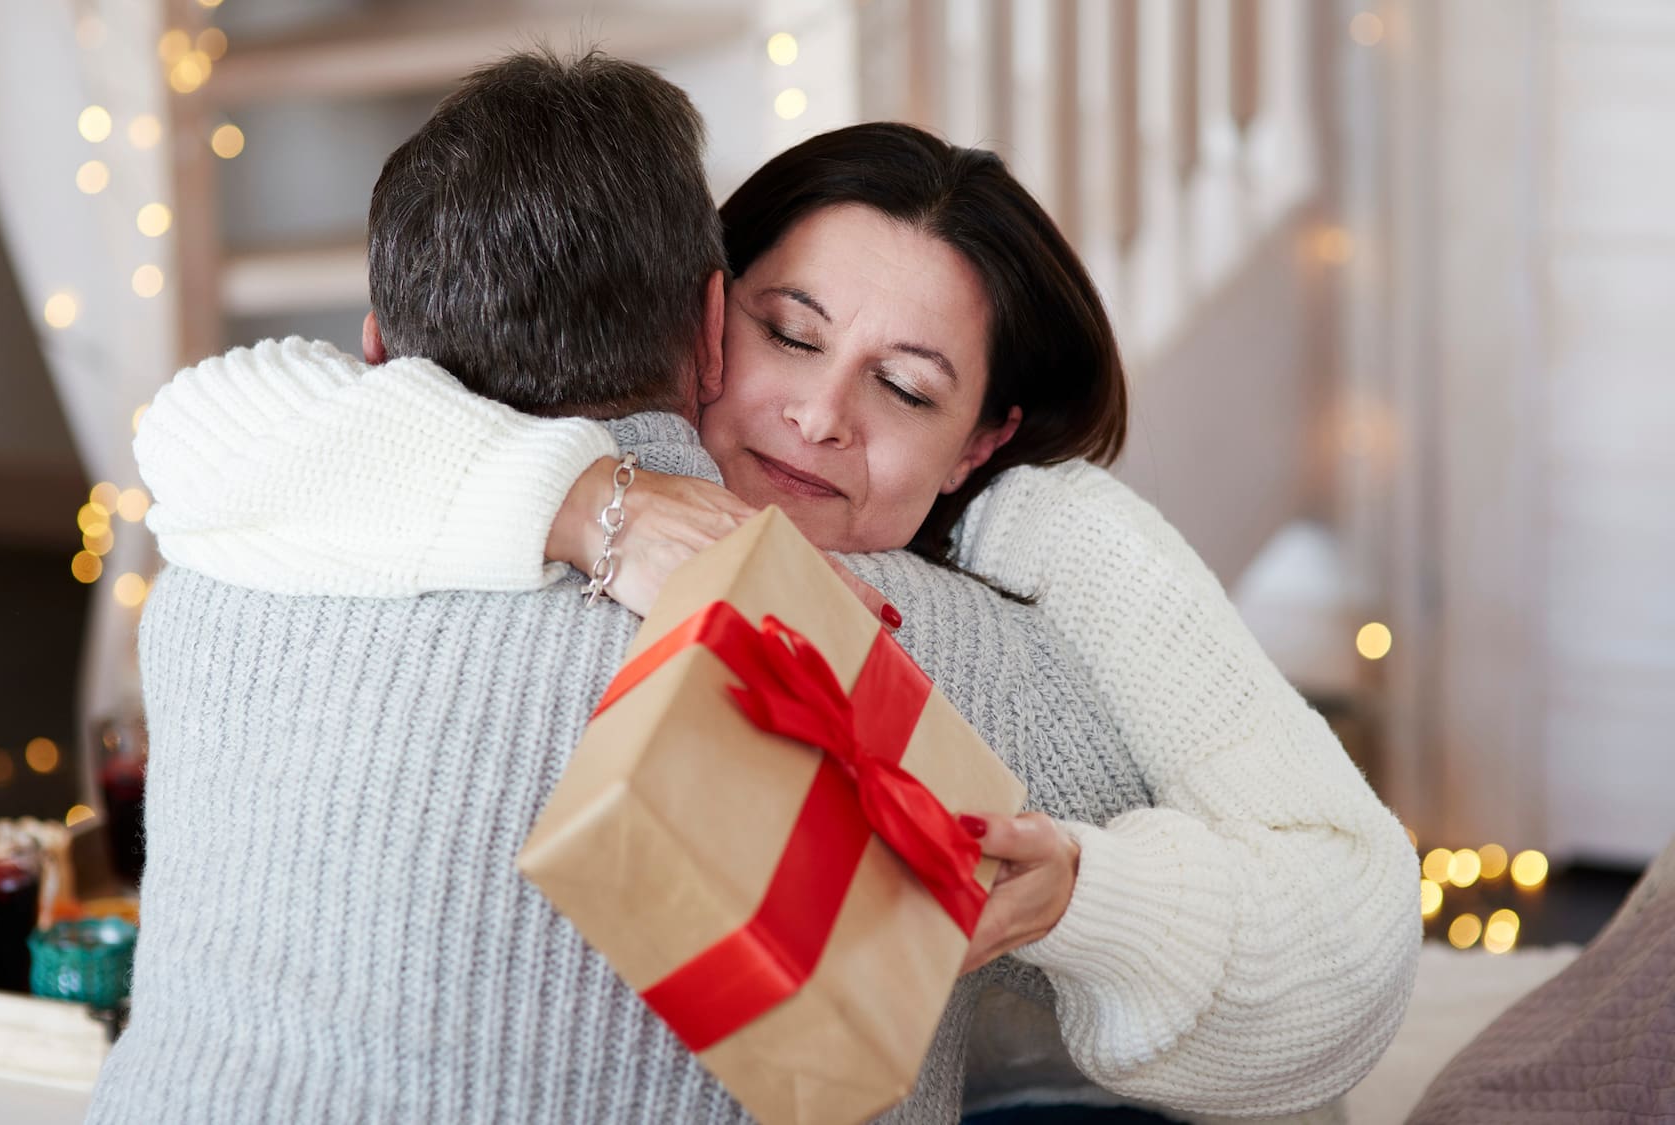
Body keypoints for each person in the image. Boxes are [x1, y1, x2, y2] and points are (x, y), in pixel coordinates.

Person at [138, 117, 1420, 1117]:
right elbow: (199, 428)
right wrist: (598, 507)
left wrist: (1082, 897)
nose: (817, 418)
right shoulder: (454, 464)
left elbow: (1346, 925)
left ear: (979, 446)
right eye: (786, 334)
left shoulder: (1029, 582)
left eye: (904, 390)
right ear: (704, 318)